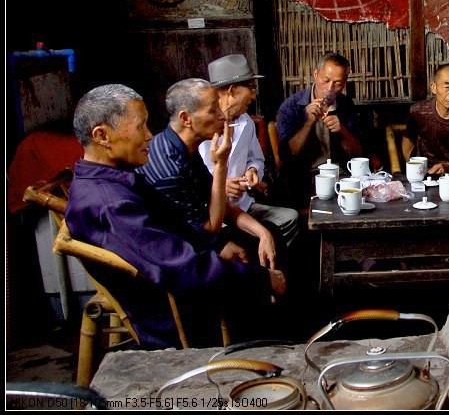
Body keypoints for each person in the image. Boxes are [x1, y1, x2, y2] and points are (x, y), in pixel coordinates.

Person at [65, 84, 278, 348]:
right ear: (102, 136)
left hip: (183, 292)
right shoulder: (111, 203)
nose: (149, 135)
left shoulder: (119, 181)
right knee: (275, 314)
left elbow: (173, 222)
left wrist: (216, 246)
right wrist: (259, 279)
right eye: (140, 126)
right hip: (177, 318)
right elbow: (182, 267)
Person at [137, 78, 286, 294]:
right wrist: (221, 165)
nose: (222, 116)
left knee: (270, 232)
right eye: (212, 110)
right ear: (186, 118)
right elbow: (210, 228)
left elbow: (220, 204)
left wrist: (262, 233)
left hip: (196, 234)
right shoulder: (169, 168)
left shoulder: (183, 146)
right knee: (251, 253)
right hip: (176, 254)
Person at [201, 54, 299, 263]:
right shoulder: (203, 127)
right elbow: (192, 179)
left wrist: (252, 171)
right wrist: (220, 186)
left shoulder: (245, 122)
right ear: (232, 90)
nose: (253, 96)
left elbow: (256, 159)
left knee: (290, 219)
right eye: (250, 89)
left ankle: (274, 266)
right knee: (252, 238)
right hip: (214, 214)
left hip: (243, 206)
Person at [276, 52, 363, 204]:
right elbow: (289, 155)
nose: (330, 88)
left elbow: (358, 152)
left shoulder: (346, 105)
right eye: (326, 80)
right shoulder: (291, 107)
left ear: (345, 82)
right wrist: (308, 122)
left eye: (337, 83)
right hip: (303, 178)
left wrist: (342, 130)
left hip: (341, 176)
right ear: (315, 74)